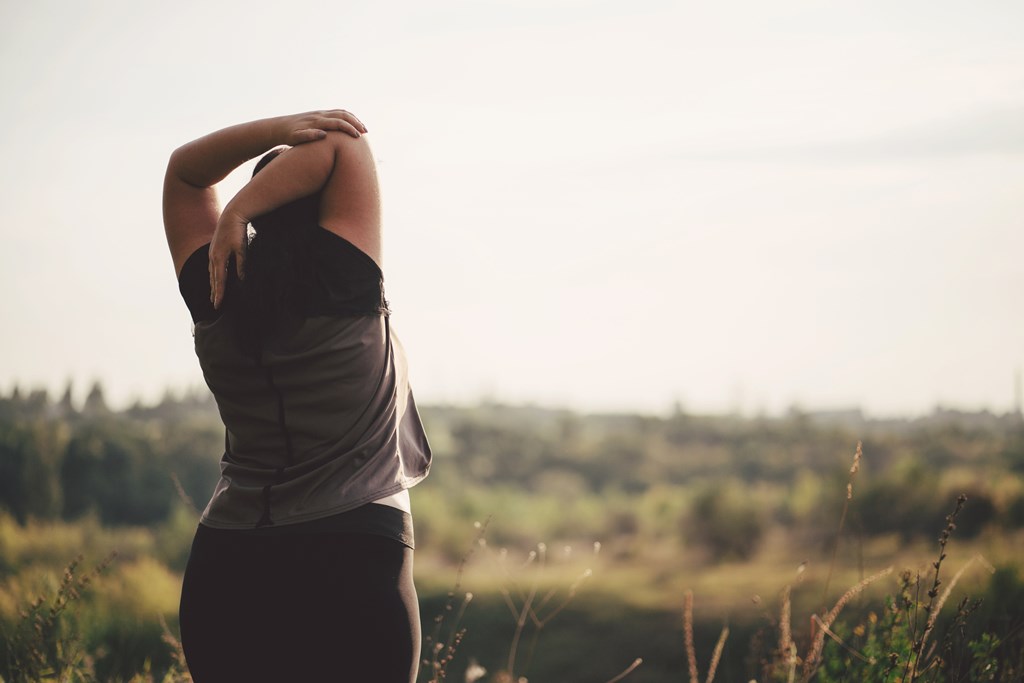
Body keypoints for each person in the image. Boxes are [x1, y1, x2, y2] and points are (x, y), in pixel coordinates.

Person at [163, 110, 431, 682]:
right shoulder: (348, 282)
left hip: (229, 562)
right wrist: (240, 209)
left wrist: (273, 142)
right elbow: (343, 141)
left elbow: (185, 173)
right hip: (354, 556)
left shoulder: (212, 287)